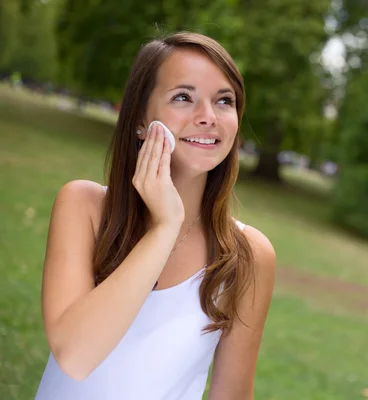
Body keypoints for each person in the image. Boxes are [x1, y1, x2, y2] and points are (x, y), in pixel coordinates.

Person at [34, 32, 277, 399]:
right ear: (139, 120)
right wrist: (165, 227)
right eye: (183, 97)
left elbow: (232, 393)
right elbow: (75, 356)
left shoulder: (247, 255)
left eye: (224, 101)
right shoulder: (83, 206)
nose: (208, 117)